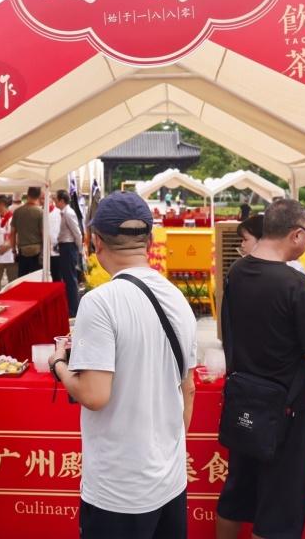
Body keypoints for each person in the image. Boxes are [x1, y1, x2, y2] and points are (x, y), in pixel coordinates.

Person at [48, 192, 197, 539]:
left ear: (96, 242)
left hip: (119, 489)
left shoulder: (99, 302)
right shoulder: (177, 297)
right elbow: (188, 388)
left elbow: (94, 394)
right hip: (171, 480)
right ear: (150, 240)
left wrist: (59, 365)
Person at [216, 199, 305, 539]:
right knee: (278, 513)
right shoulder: (296, 284)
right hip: (287, 411)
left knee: (236, 495)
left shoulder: (237, 272)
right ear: (296, 234)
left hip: (244, 400)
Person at [236, 213, 305, 277]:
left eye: (245, 239)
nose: (242, 244)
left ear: (262, 239)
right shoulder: (243, 267)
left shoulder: (294, 270)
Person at [53, 189, 83, 316]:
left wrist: (79, 250)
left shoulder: (68, 213)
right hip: (65, 247)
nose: (54, 201)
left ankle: (74, 309)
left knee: (70, 279)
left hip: (69, 247)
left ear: (61, 200)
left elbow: (77, 232)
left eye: (56, 199)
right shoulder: (63, 212)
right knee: (67, 278)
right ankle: (71, 307)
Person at [10, 187, 44, 277]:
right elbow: (43, 233)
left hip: (22, 250)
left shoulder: (17, 212)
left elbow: (12, 233)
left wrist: (13, 250)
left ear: (27, 194)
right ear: (39, 196)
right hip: (37, 250)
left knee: (22, 278)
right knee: (36, 278)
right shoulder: (40, 212)